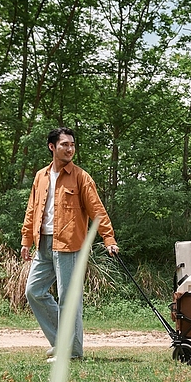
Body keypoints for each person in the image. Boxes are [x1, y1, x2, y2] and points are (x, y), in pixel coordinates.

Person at [21, 128, 118, 362]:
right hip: (43, 243)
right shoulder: (40, 176)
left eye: (72, 145)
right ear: (52, 147)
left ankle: (73, 352)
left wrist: (109, 238)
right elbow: (32, 209)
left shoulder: (81, 177)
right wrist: (26, 240)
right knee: (33, 292)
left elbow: (97, 210)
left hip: (69, 245)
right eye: (64, 144)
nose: (70, 149)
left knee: (68, 300)